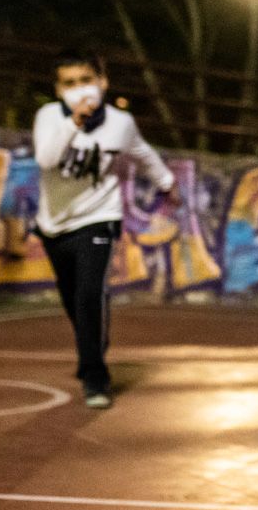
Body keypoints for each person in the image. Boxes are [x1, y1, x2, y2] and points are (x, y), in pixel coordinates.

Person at [32, 49, 180, 408]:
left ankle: (95, 377)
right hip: (54, 224)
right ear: (57, 90)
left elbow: (142, 152)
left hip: (99, 216)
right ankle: (93, 338)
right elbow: (47, 159)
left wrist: (166, 182)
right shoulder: (49, 117)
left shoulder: (121, 123)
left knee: (88, 293)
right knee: (72, 298)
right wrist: (75, 123)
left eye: (86, 80)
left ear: (102, 81)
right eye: (69, 84)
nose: (79, 90)